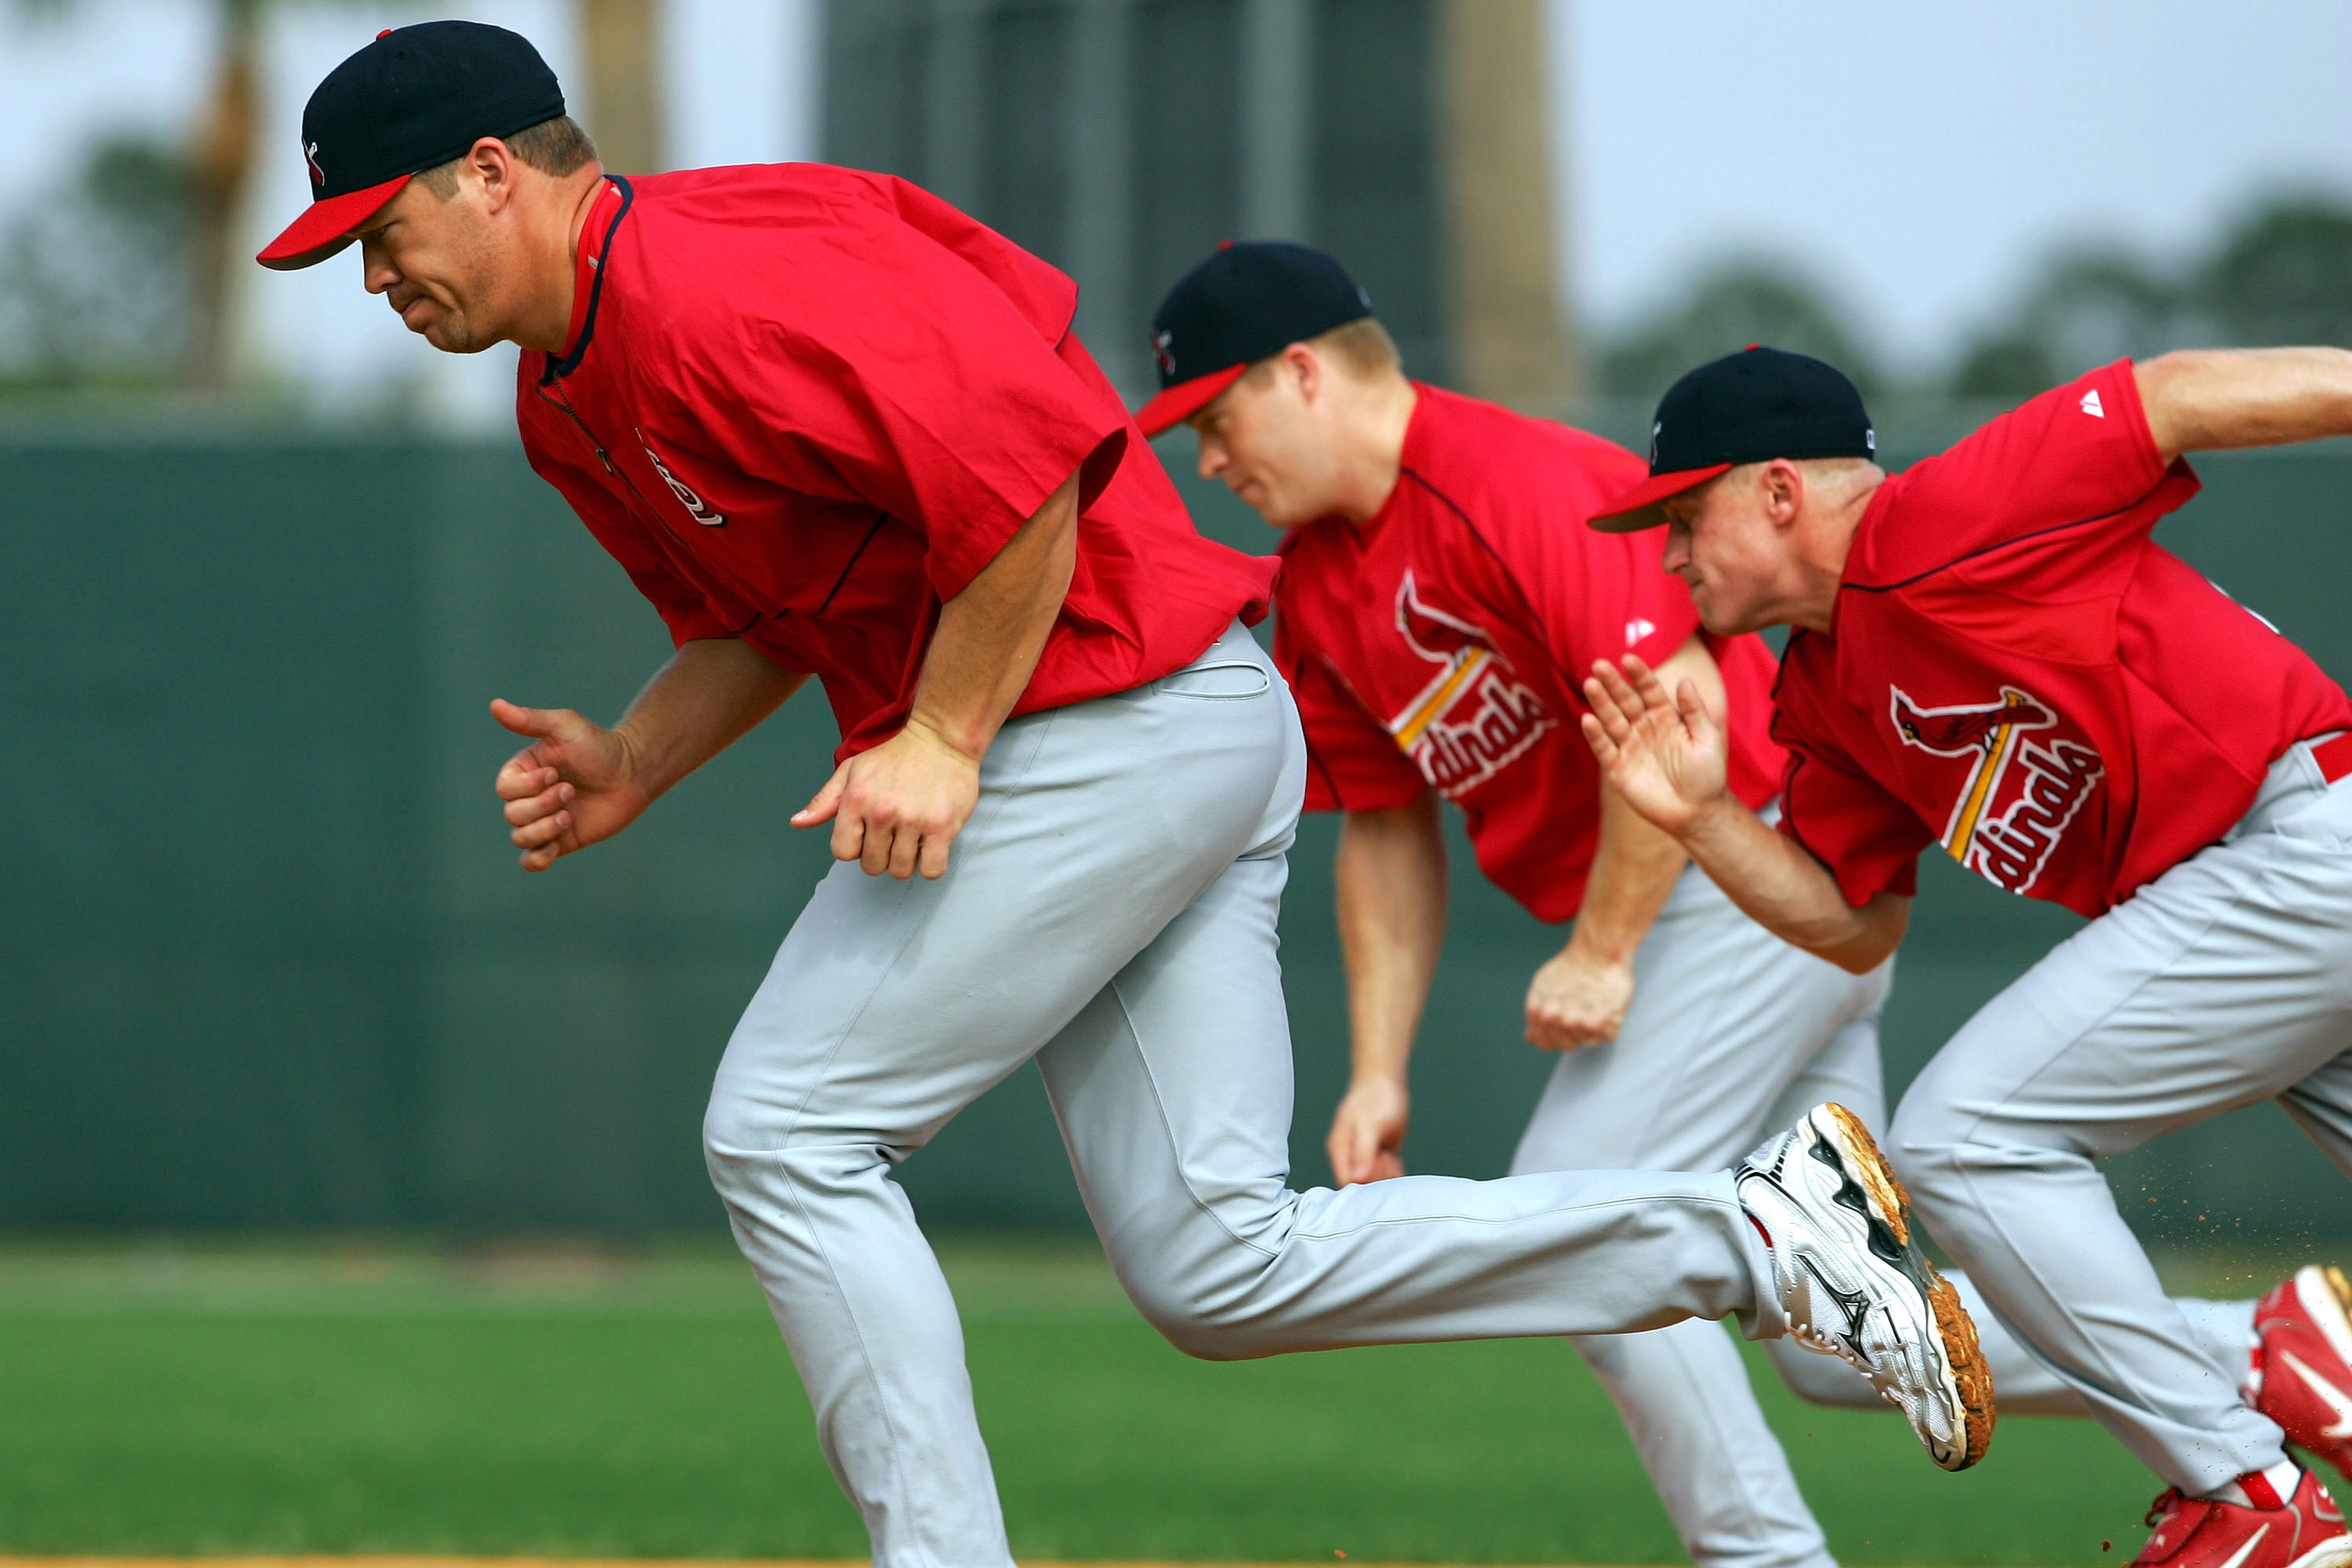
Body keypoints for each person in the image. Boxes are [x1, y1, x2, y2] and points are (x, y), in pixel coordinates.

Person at [256, 24, 1991, 1564]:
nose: (372, 280)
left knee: (783, 1130)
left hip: (1106, 720)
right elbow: (751, 621)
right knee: (1215, 1269)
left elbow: (1032, 483)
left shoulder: (723, 277)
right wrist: (635, 757)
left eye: (379, 231)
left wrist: (938, 732)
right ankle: (1767, 1234)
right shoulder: (572, 405)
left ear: (493, 176)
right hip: (1140, 729)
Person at [1137, 243, 2297, 1568]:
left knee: (1579, 1217)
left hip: (1728, 899)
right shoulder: (1319, 586)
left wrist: (1604, 949)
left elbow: (1672, 706)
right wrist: (1382, 1067)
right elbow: (1389, 831)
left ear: (1301, 375)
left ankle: (1765, 1557)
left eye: (1214, 419)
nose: (1210, 462)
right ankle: (2264, 1352)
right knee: (1843, 1344)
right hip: (1773, 909)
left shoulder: (1505, 483)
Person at [1578, 343, 2352, 1568]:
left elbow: (2170, 398)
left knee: (1966, 1135)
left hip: (2299, 839)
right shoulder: (1823, 688)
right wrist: (1705, 821)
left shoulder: (1941, 517)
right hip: (2266, 902)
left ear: (1780, 492)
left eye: (1685, 512)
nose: (1668, 553)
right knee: (1971, 1133)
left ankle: (2246, 1495)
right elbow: (1855, 920)